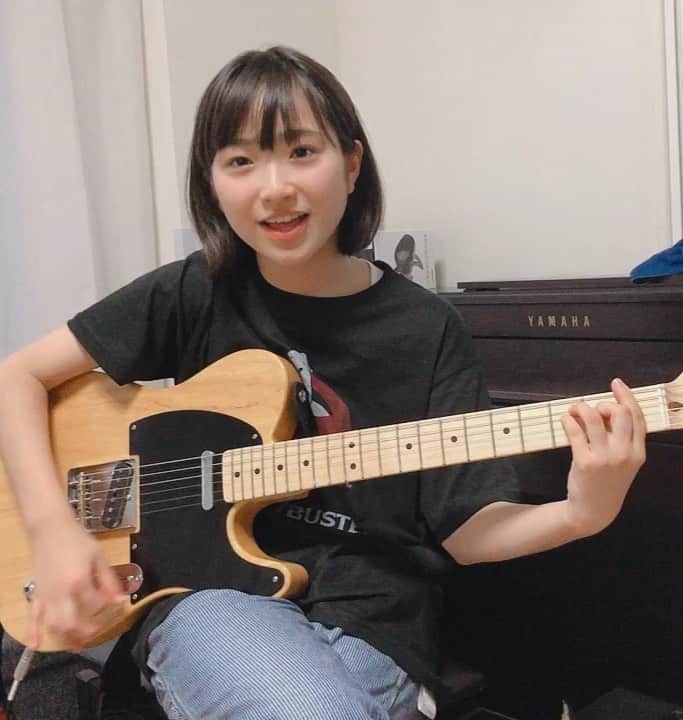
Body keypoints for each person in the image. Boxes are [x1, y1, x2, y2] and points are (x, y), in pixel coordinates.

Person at [0, 46, 646, 720]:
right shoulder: (196, 289)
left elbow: (464, 531)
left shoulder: (427, 327)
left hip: (377, 624)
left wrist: (582, 513)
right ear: (211, 182)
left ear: (352, 163)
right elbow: (17, 377)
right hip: (215, 600)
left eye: (302, 152)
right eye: (241, 161)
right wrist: (53, 531)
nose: (275, 187)